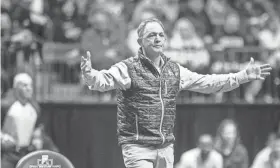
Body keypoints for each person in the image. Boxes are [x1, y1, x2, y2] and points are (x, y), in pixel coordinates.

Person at [80, 18, 272, 168]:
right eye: (152, 35)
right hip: (137, 146)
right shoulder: (128, 68)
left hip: (165, 147)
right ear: (140, 41)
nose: (157, 39)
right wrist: (89, 74)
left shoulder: (175, 70)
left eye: (161, 35)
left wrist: (242, 76)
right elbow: (102, 81)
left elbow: (209, 83)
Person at [1, 73, 58, 168]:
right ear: (16, 87)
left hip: (27, 154)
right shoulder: (5, 105)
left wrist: (37, 138)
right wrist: (2, 138)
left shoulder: (35, 107)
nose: (29, 88)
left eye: (31, 85)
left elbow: (38, 127)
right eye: (24, 85)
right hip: (8, 155)